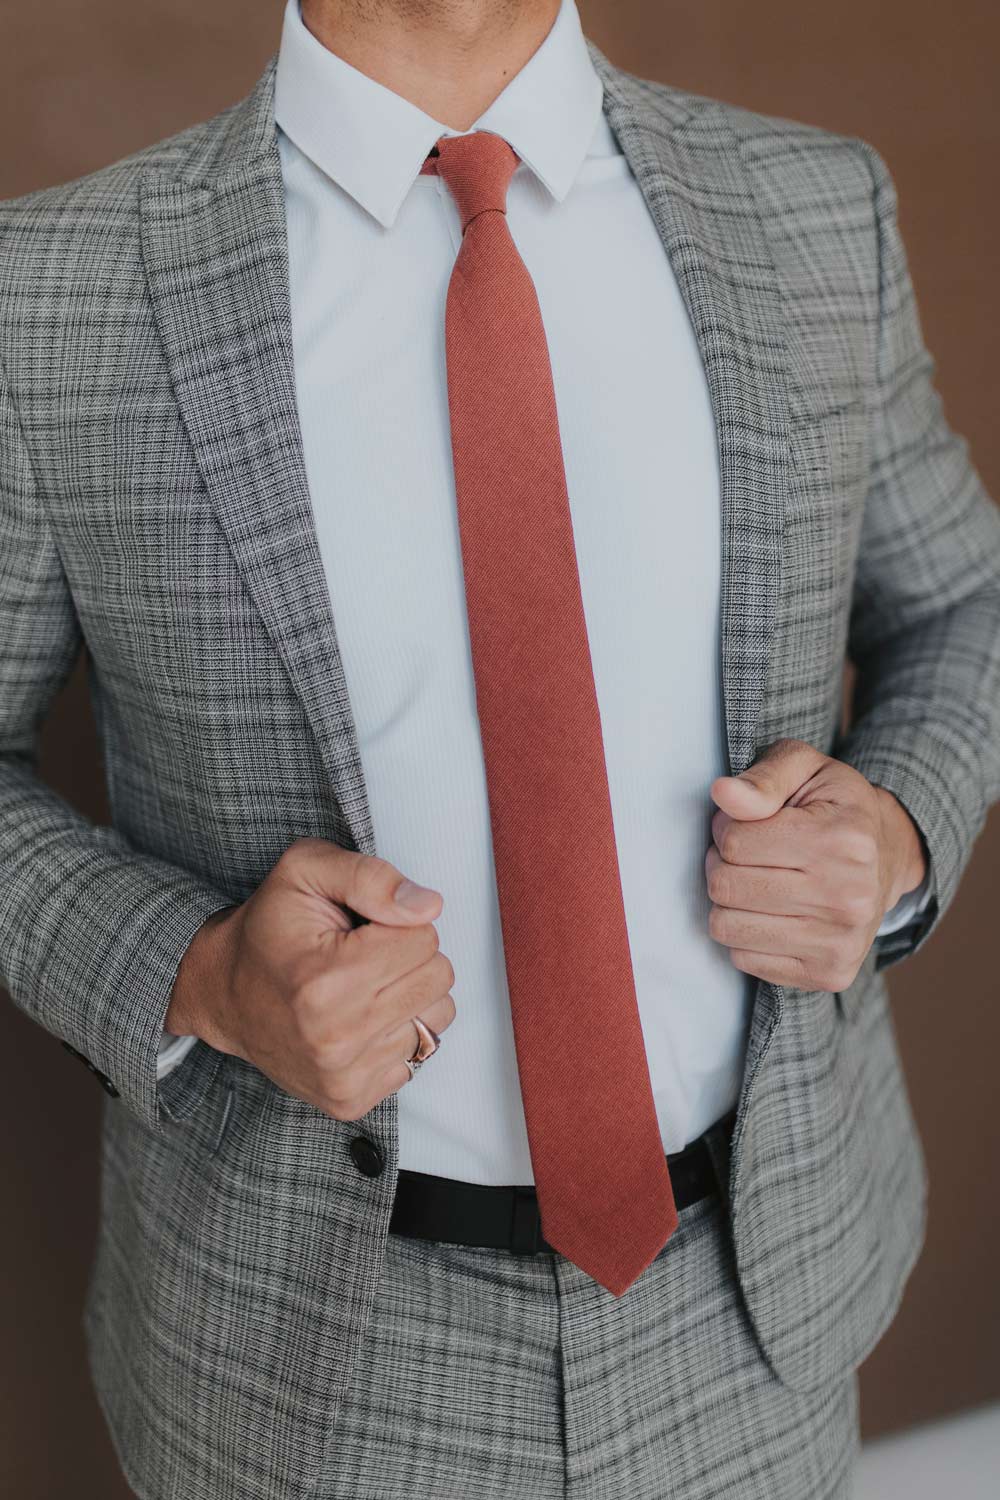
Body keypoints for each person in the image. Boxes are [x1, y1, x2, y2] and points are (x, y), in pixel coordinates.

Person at [1, 0, 998, 1495]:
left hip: (751, 1316)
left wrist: (902, 826)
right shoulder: (48, 292)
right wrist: (200, 973)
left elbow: (968, 600)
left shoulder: (813, 206)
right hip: (303, 1371)